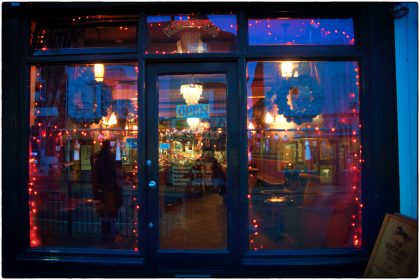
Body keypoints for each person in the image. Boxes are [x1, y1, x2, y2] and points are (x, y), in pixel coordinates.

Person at [91, 140, 122, 242]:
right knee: (111, 210)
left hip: (100, 188)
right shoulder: (111, 156)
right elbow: (115, 170)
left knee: (103, 211)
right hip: (110, 188)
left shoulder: (96, 157)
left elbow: (95, 173)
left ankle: (106, 233)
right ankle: (111, 233)